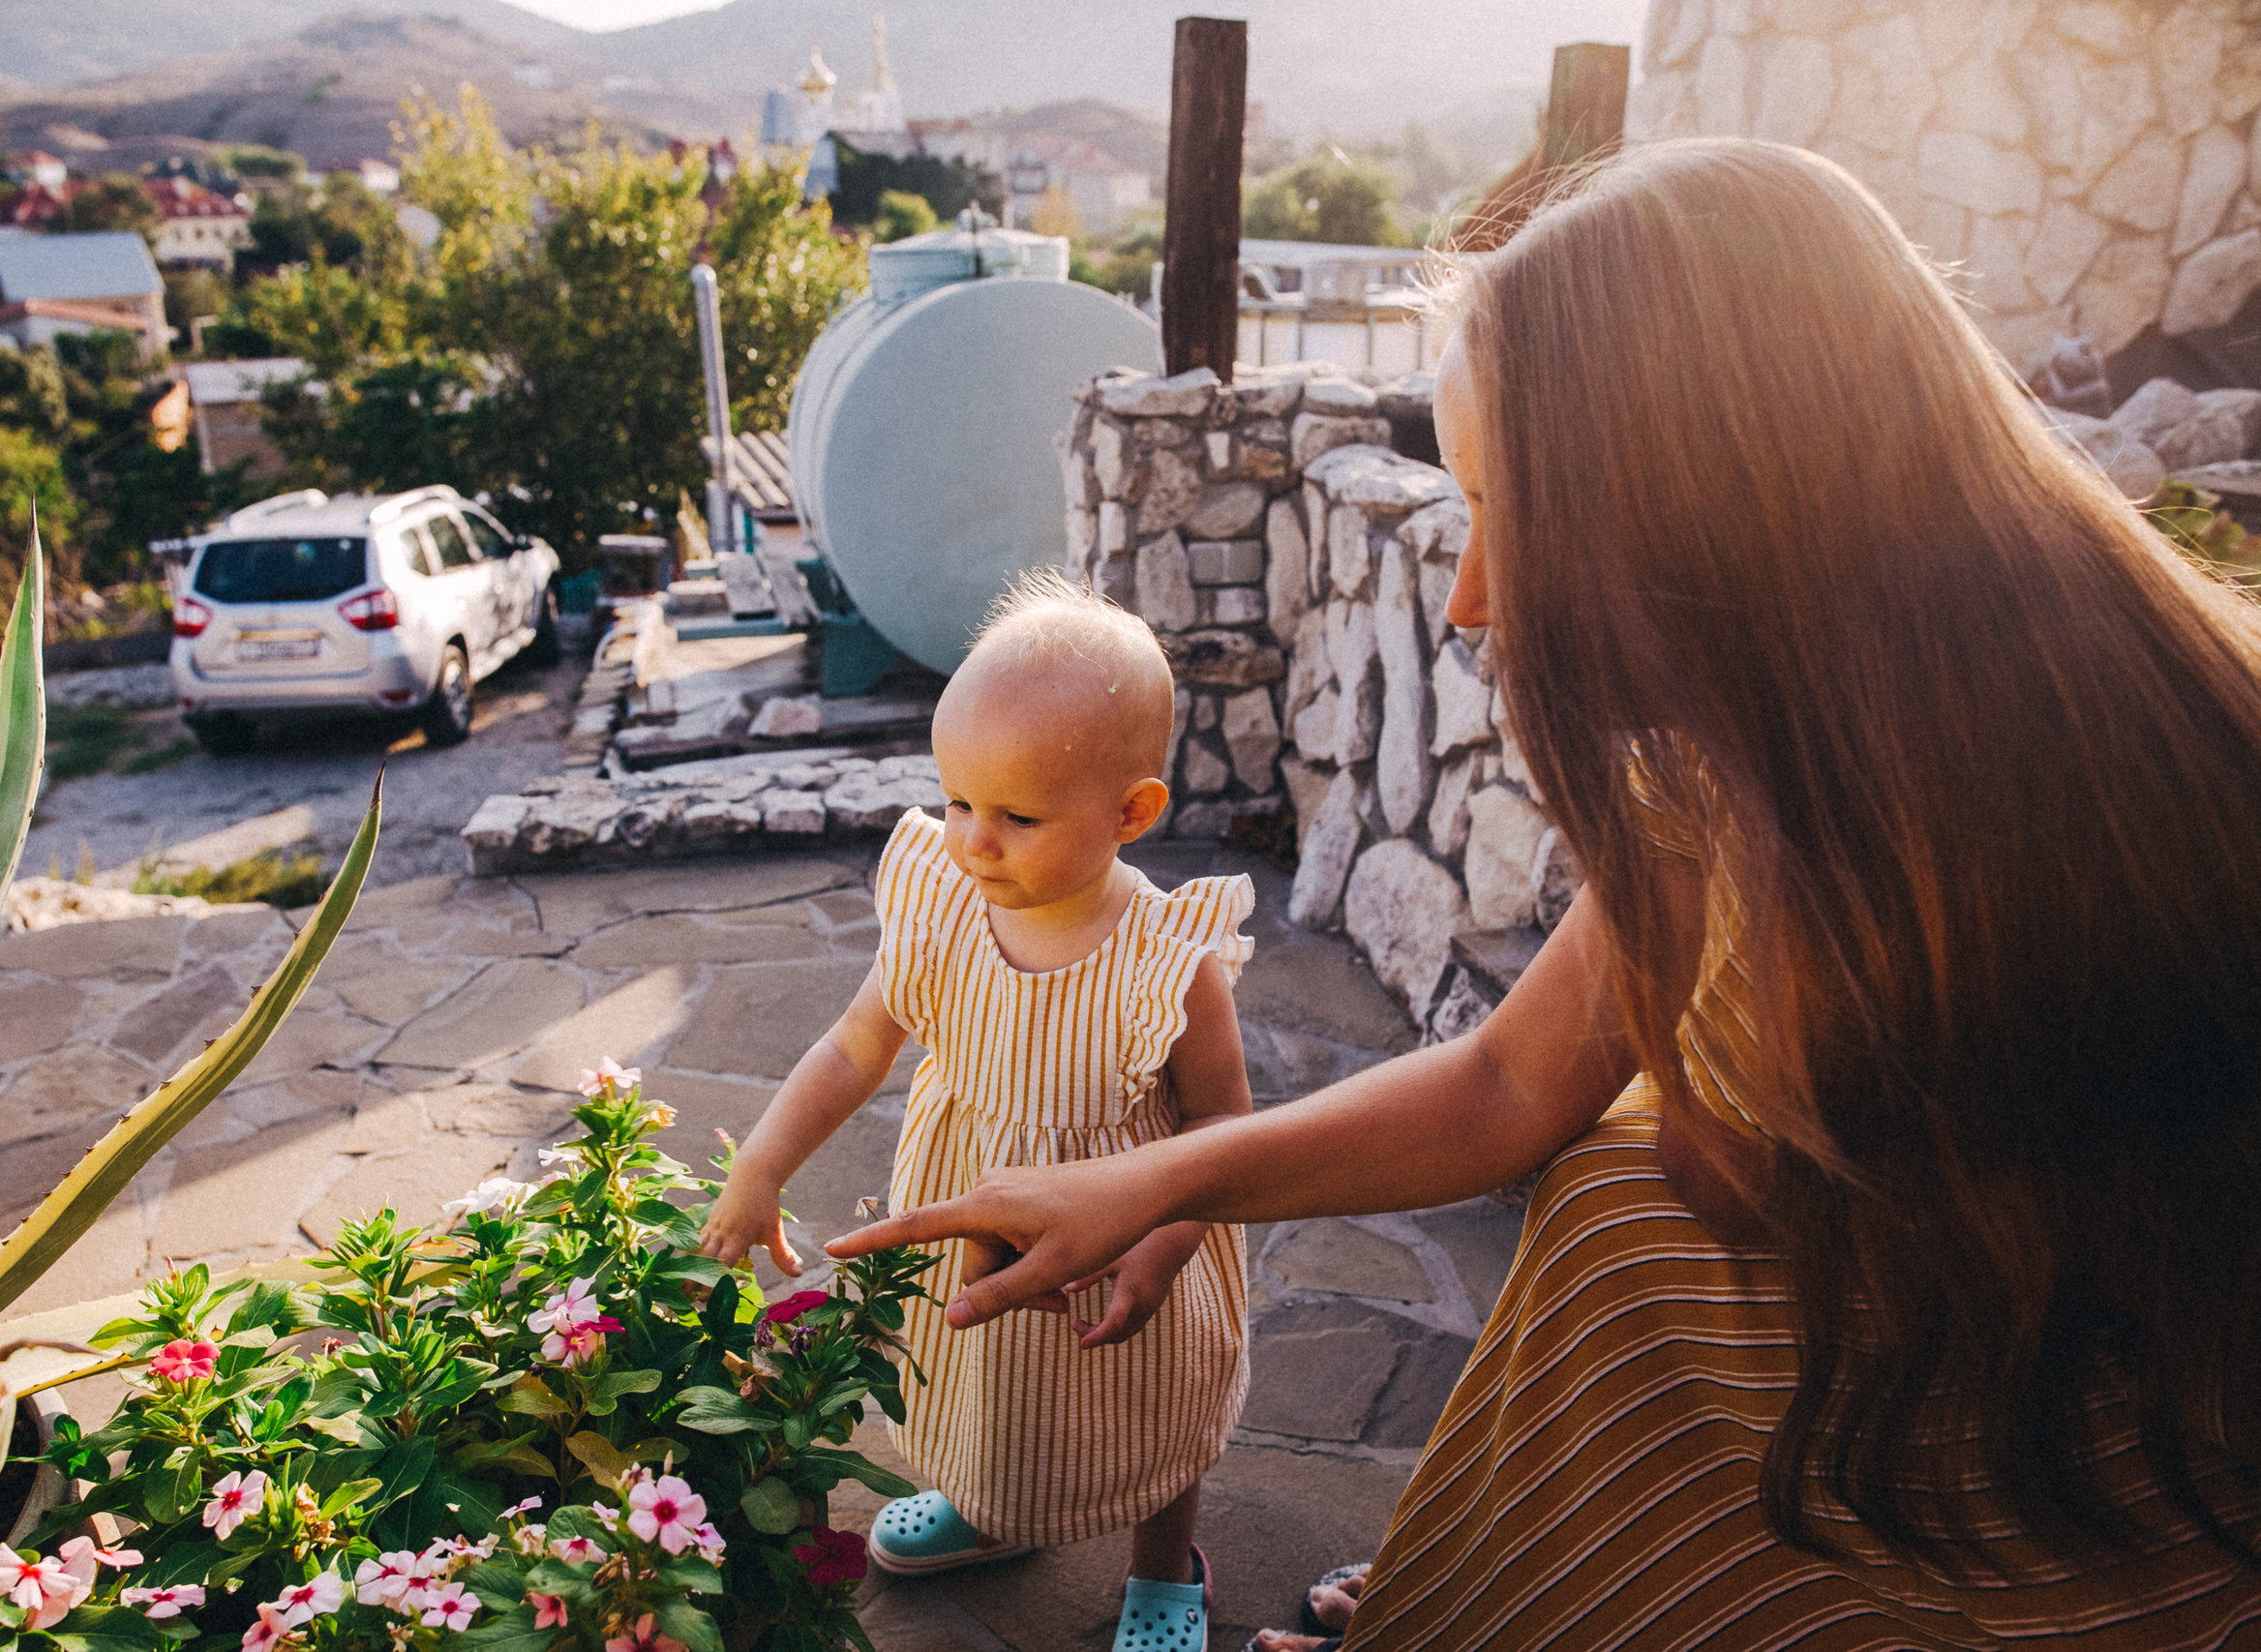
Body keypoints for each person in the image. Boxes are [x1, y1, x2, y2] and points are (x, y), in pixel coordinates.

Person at [832, 137, 2261, 1649]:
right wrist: (1154, 1179)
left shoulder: (2090, 789)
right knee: (1604, 1192)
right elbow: (1515, 1076)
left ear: (1708, 495)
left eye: (1512, 511)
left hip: (2077, 1491)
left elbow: (1720, 1176)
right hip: (1897, 1374)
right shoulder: (1736, 747)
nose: (1470, 596)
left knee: (1624, 1209)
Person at [697, 570, 1255, 1651]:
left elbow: (1223, 1140)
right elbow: (853, 1044)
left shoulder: (1168, 963)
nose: (973, 841)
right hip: (972, 1226)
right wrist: (761, 1163)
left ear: (1131, 813)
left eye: (1017, 814)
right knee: (986, 1385)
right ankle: (994, 1508)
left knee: (1151, 1408)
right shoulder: (944, 910)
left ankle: (1163, 1566)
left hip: (1126, 1243)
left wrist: (1168, 1246)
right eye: (957, 801)